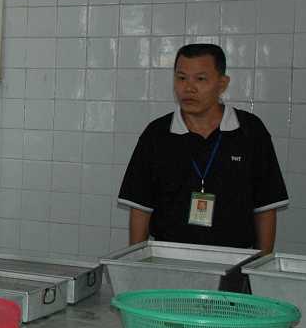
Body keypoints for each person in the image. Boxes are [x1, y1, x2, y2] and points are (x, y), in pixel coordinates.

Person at [118, 43, 289, 256]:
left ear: (222, 83)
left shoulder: (250, 131)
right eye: (181, 78)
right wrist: (135, 263)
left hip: (235, 259)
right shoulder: (157, 134)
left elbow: (266, 207)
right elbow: (140, 208)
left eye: (200, 79)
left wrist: (259, 266)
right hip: (167, 258)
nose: (188, 88)